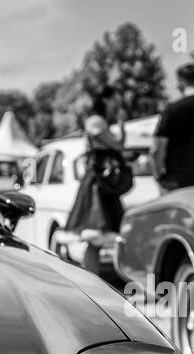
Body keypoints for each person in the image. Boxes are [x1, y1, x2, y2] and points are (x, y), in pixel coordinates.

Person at [66, 86, 132, 270]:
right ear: (105, 100)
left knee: (103, 237)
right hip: (98, 185)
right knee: (95, 236)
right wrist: (121, 125)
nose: (117, 104)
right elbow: (117, 146)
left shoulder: (100, 122)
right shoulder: (96, 121)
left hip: (102, 183)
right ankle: (94, 282)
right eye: (115, 100)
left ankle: (111, 279)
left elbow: (117, 146)